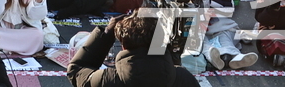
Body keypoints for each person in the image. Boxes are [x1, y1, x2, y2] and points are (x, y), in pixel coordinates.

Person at [67, 12, 199, 87]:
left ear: (124, 45)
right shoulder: (184, 78)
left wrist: (106, 34)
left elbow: (76, 71)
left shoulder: (106, 79)